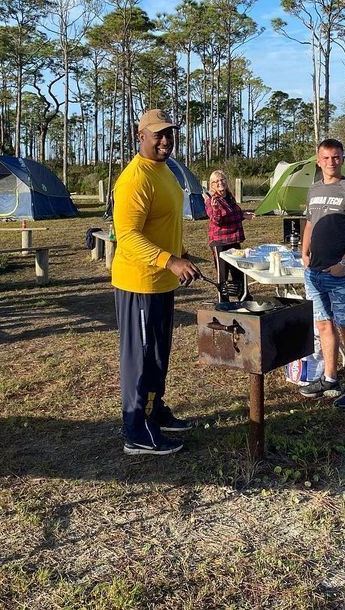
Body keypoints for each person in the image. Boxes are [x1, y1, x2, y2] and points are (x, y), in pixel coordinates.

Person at [112, 108, 201, 455]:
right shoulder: (135, 179)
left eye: (170, 134)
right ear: (141, 136)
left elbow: (161, 223)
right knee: (142, 358)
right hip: (140, 283)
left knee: (159, 355)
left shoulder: (165, 171)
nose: (165, 141)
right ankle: (136, 430)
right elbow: (128, 235)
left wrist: (180, 252)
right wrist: (170, 260)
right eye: (158, 135)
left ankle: (155, 410)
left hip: (162, 281)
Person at [299, 138, 345, 409]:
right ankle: (330, 378)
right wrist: (304, 254)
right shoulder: (314, 189)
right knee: (324, 325)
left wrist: (343, 262)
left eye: (336, 157)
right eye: (326, 158)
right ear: (318, 160)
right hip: (314, 273)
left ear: (342, 160)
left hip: (341, 274)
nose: (331, 162)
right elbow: (309, 223)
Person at [205, 170, 253, 300]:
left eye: (222, 179)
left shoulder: (230, 196)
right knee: (223, 274)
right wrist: (215, 210)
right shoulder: (211, 200)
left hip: (234, 238)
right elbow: (217, 221)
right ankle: (223, 302)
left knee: (238, 269)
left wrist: (243, 215)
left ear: (226, 181)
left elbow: (232, 215)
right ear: (212, 185)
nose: (220, 183)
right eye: (216, 181)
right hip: (219, 241)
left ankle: (244, 298)